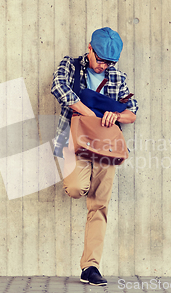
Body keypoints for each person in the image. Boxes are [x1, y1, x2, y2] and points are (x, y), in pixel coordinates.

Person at [51, 27, 138, 286]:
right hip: (75, 141)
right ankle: (84, 180)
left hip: (105, 148)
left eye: (109, 62)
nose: (103, 66)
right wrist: (90, 114)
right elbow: (58, 88)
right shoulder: (71, 65)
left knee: (99, 205)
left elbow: (132, 112)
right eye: (99, 60)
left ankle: (91, 266)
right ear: (89, 48)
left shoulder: (117, 77)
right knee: (77, 188)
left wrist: (116, 116)